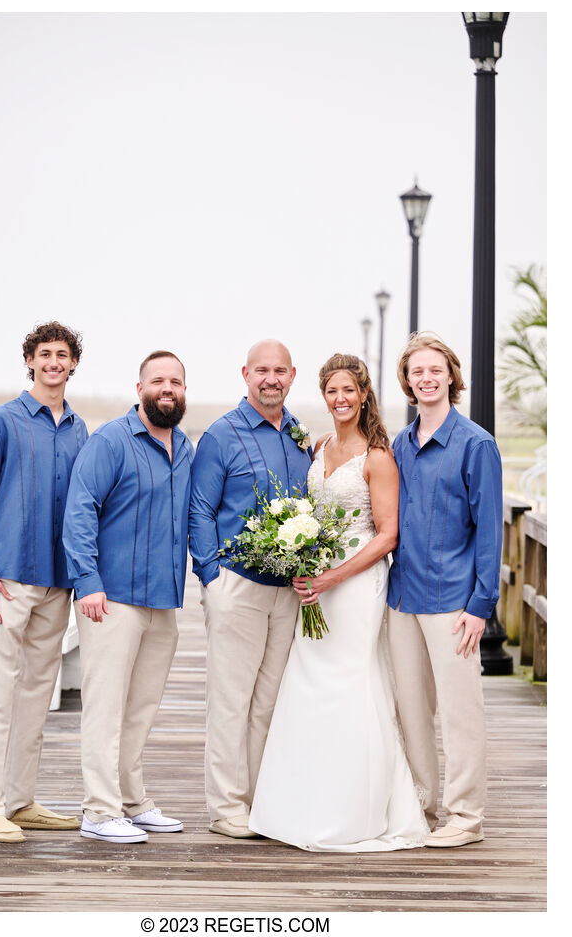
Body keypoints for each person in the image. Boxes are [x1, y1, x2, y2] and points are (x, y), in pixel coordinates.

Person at [249, 353, 428, 852]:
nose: (341, 399)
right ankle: (298, 805)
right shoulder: (319, 444)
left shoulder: (378, 457)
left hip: (355, 585)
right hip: (316, 581)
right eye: (332, 391)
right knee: (306, 682)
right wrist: (300, 561)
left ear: (364, 394)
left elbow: (388, 535)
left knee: (352, 683)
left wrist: (332, 577)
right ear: (323, 396)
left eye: (349, 390)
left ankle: (355, 811)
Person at [0, 321, 88, 843]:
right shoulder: (1, 422)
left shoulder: (81, 430)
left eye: (63, 354)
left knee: (38, 693)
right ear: (30, 362)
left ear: (74, 364)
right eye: (45, 354)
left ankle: (20, 800)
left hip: (57, 582)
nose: (54, 362)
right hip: (7, 580)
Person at [62, 351, 193, 844]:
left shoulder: (185, 448)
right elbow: (80, 511)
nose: (167, 388)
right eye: (158, 380)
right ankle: (98, 810)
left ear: (184, 391)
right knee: (105, 705)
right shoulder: (110, 442)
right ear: (139, 387)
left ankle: (131, 800)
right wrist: (88, 581)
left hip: (162, 601)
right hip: (111, 598)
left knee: (140, 707)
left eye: (176, 381)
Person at [189, 339, 312, 838]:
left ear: (292, 375)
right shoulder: (221, 434)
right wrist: (210, 577)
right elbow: (200, 509)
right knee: (231, 699)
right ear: (245, 374)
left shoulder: (299, 436)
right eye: (262, 370)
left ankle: (262, 800)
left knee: (269, 703)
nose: (271, 379)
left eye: (280, 371)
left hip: (286, 590)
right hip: (236, 585)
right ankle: (226, 807)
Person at [386, 332, 502, 848]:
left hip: (454, 601)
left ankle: (465, 815)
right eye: (417, 372)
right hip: (402, 598)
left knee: (460, 712)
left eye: (436, 369)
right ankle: (420, 801)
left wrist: (481, 606)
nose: (427, 378)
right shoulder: (400, 445)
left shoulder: (476, 444)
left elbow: (491, 530)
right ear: (407, 383)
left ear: (452, 375)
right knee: (411, 708)